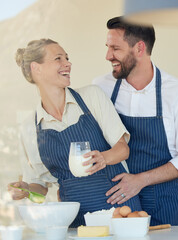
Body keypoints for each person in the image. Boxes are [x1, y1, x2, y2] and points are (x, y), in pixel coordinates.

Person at [8, 38, 141, 227]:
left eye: (67, 58)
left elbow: (122, 149)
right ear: (36, 68)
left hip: (119, 209)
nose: (68, 63)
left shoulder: (91, 97)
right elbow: (41, 186)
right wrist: (27, 189)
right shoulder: (30, 126)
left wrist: (103, 158)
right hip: (75, 221)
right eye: (58, 59)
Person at [93, 17, 178, 226]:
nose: (108, 56)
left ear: (139, 48)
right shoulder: (100, 88)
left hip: (167, 202)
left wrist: (140, 180)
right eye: (108, 47)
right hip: (119, 203)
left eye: (115, 48)